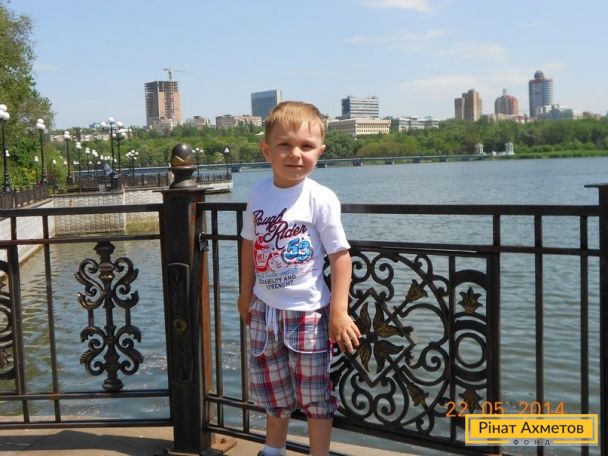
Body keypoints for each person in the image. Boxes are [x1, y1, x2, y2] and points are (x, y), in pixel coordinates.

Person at [237, 101, 361, 456]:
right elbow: (249, 245)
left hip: (308, 315)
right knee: (272, 391)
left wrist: (339, 311)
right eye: (285, 145)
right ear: (267, 150)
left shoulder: (320, 198)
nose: (295, 154)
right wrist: (245, 295)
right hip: (264, 310)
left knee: (314, 396)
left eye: (306, 146)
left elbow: (340, 257)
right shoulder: (258, 192)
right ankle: (273, 449)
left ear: (320, 151)